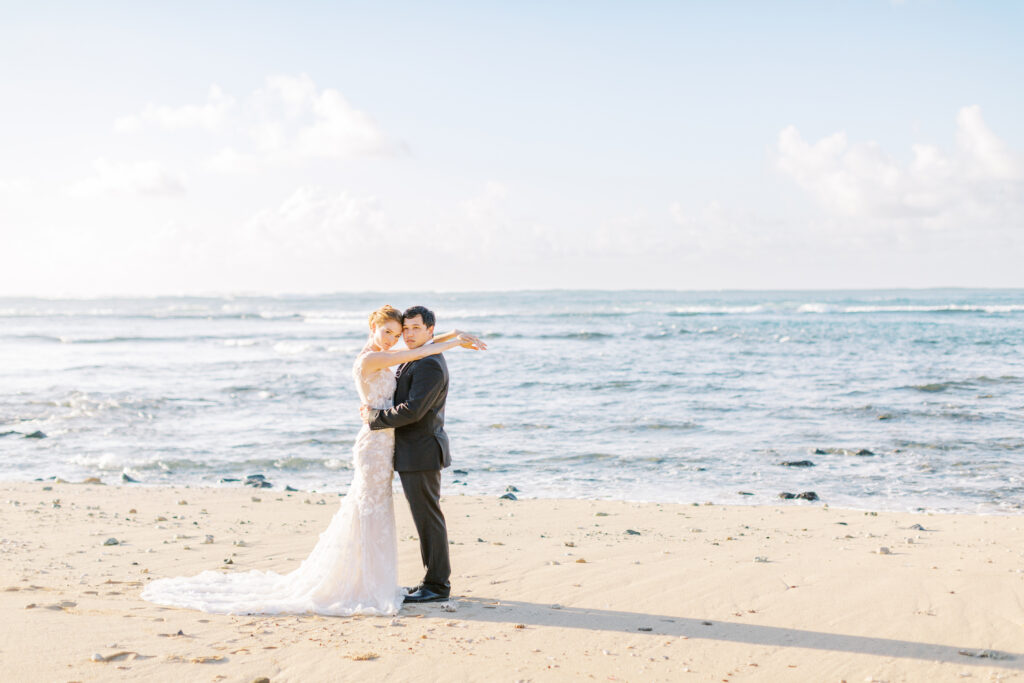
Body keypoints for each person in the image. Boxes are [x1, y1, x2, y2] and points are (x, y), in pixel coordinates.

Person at [140, 305, 483, 615]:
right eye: (393, 331)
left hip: (405, 447)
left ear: (427, 329)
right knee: (371, 509)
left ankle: (426, 584)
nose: (399, 337)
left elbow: (421, 371)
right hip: (378, 444)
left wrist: (452, 337)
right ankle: (375, 581)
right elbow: (423, 350)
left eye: (406, 330)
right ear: (374, 328)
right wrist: (451, 341)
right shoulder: (371, 359)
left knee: (409, 514)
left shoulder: (417, 358)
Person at [360, 305, 458, 603]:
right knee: (425, 518)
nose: (409, 334)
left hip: (422, 451)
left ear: (430, 330)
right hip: (413, 451)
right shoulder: (418, 356)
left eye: (417, 328)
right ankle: (432, 580)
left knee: (428, 519)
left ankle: (438, 586)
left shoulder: (428, 363)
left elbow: (413, 411)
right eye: (407, 329)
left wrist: (374, 417)